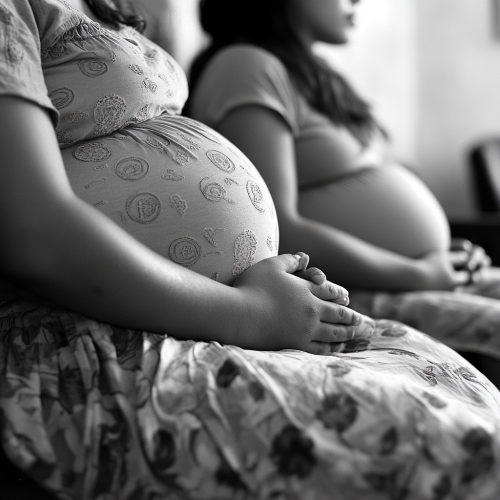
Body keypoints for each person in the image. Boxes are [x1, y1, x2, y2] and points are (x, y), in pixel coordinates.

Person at [2, 1, 500, 499]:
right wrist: (252, 311)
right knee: (472, 453)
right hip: (106, 331)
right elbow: (33, 231)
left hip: (215, 312)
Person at [187, 0, 500, 362]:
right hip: (345, 290)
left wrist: (435, 256)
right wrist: (417, 271)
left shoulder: (304, 73)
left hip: (402, 274)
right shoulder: (245, 66)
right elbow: (276, 229)